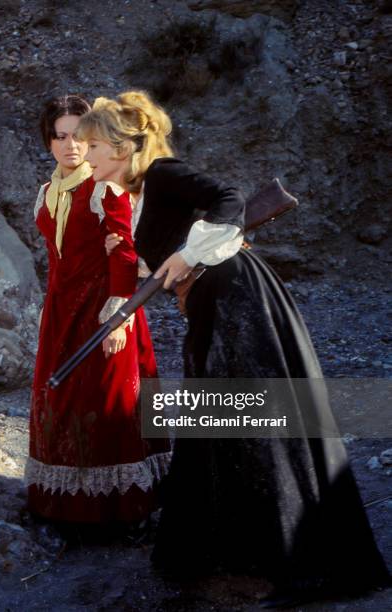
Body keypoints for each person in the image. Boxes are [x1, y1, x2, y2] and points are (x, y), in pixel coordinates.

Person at [78, 91, 390, 607]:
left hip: (235, 299)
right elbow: (173, 251)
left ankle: (282, 556)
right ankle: (230, 550)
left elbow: (230, 199)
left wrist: (185, 251)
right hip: (214, 302)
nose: (84, 155)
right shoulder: (140, 192)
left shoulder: (164, 174)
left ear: (118, 146)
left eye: (91, 145)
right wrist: (149, 260)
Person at [25, 95, 171, 535]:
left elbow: (124, 252)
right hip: (60, 313)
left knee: (108, 400)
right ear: (49, 141)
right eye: (61, 136)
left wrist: (119, 314)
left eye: (79, 137)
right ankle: (63, 506)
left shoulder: (107, 185)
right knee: (61, 401)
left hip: (106, 308)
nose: (71, 146)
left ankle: (118, 512)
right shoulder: (47, 191)